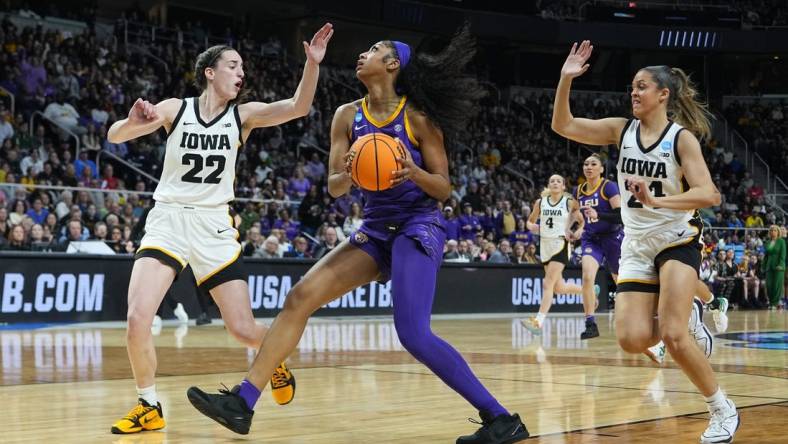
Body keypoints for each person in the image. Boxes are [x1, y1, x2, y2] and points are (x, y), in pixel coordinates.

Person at [187, 25, 529, 442]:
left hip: (418, 224)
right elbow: (333, 186)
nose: (362, 54)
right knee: (299, 298)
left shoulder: (417, 117)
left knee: (414, 334)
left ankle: (500, 418)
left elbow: (443, 188)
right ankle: (242, 403)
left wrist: (413, 171)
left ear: (392, 64)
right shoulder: (347, 115)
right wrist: (348, 172)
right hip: (375, 228)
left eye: (373, 49)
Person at [104, 23, 334, 435]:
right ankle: (148, 404)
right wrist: (133, 119)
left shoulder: (243, 116)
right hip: (168, 220)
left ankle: (273, 362)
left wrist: (312, 65)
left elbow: (299, 106)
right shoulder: (176, 108)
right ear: (210, 72)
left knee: (242, 329)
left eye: (242, 67)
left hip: (213, 225)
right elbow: (115, 136)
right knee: (138, 318)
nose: (241, 72)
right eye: (233, 65)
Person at [551, 40, 739, 443]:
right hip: (636, 243)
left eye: (641, 87)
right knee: (632, 339)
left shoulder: (680, 139)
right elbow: (563, 126)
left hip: (676, 238)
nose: (633, 93)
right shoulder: (622, 130)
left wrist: (659, 200)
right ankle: (688, 314)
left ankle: (722, 409)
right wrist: (566, 80)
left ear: (663, 94)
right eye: (632, 87)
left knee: (672, 335)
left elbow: (709, 194)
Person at [522, 174, 584, 335]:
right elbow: (529, 222)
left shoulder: (569, 202)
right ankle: (588, 290)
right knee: (559, 288)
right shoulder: (540, 202)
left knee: (547, 284)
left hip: (560, 245)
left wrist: (578, 231)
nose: (555, 183)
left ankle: (538, 322)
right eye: (552, 181)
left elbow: (582, 221)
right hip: (545, 246)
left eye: (558, 181)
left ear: (563, 186)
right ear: (548, 185)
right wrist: (532, 227)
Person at [573, 153, 622, 339]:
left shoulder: (608, 186)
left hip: (612, 238)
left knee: (621, 282)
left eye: (593, 164)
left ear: (601, 169)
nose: (588, 167)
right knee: (586, 276)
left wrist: (598, 215)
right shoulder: (578, 190)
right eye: (585, 163)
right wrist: (574, 229)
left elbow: (620, 216)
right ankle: (590, 324)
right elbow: (578, 215)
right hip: (592, 238)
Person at [764, 224, 786, 309]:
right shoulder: (768, 242)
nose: (773, 232)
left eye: (775, 230)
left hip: (779, 267)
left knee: (777, 286)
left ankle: (774, 304)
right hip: (769, 266)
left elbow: (783, 255)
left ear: (778, 232)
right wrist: (764, 266)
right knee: (769, 285)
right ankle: (771, 302)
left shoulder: (781, 241)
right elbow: (766, 256)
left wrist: (780, 264)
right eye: (771, 230)